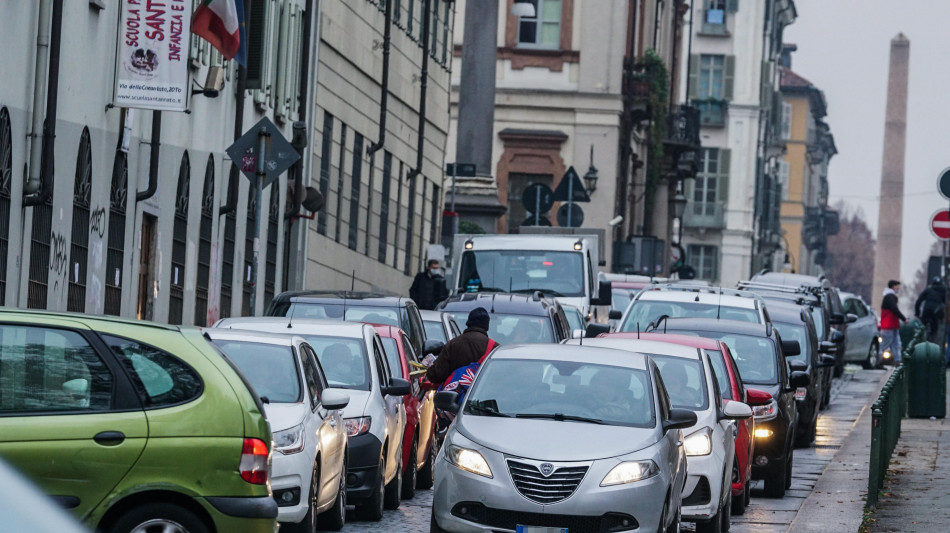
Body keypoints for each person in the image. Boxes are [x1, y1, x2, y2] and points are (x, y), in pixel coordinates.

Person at [425, 307, 497, 384]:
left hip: (454, 394)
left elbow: (437, 375)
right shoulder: (494, 348)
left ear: (468, 322)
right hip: (483, 394)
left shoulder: (452, 344)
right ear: (487, 326)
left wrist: (429, 370)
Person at [880, 280, 907, 363]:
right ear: (893, 286)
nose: (898, 288)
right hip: (889, 324)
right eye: (897, 286)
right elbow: (894, 309)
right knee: (886, 343)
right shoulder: (890, 296)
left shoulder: (889, 296)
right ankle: (878, 359)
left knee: (895, 344)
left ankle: (898, 361)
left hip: (892, 324)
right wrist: (904, 318)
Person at [914, 277, 947, 341]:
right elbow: (945, 303)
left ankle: (920, 342)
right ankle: (934, 343)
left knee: (922, 328)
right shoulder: (944, 291)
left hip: (926, 311)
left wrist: (917, 313)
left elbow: (918, 302)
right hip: (936, 312)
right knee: (934, 331)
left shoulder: (928, 289)